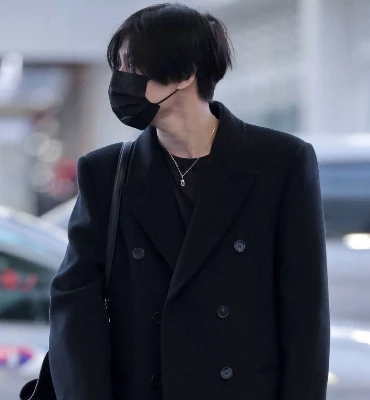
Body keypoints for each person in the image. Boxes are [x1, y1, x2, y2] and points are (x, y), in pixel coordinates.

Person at [48, 3, 330, 400]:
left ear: (183, 74)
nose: (120, 81)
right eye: (119, 66)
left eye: (132, 66)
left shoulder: (280, 163)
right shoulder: (106, 173)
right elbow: (75, 308)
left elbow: (305, 313)